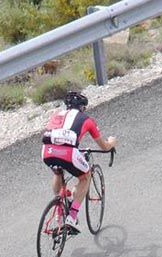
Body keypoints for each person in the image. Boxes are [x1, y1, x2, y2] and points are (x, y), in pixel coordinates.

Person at [41, 91, 117, 234]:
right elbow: (104, 146)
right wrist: (112, 143)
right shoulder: (87, 120)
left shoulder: (56, 115)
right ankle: (72, 217)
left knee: (58, 171)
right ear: (82, 107)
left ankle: (60, 204)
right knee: (85, 177)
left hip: (47, 151)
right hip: (68, 153)